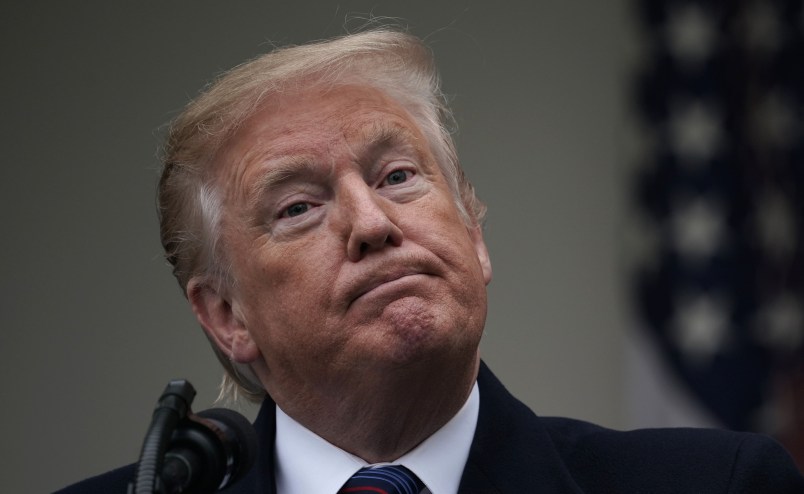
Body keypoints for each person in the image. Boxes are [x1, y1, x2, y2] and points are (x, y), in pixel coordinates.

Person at [57, 28, 803, 493]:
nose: (373, 223)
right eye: (298, 208)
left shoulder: (715, 484)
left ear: (473, 231)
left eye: (398, 177)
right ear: (226, 315)